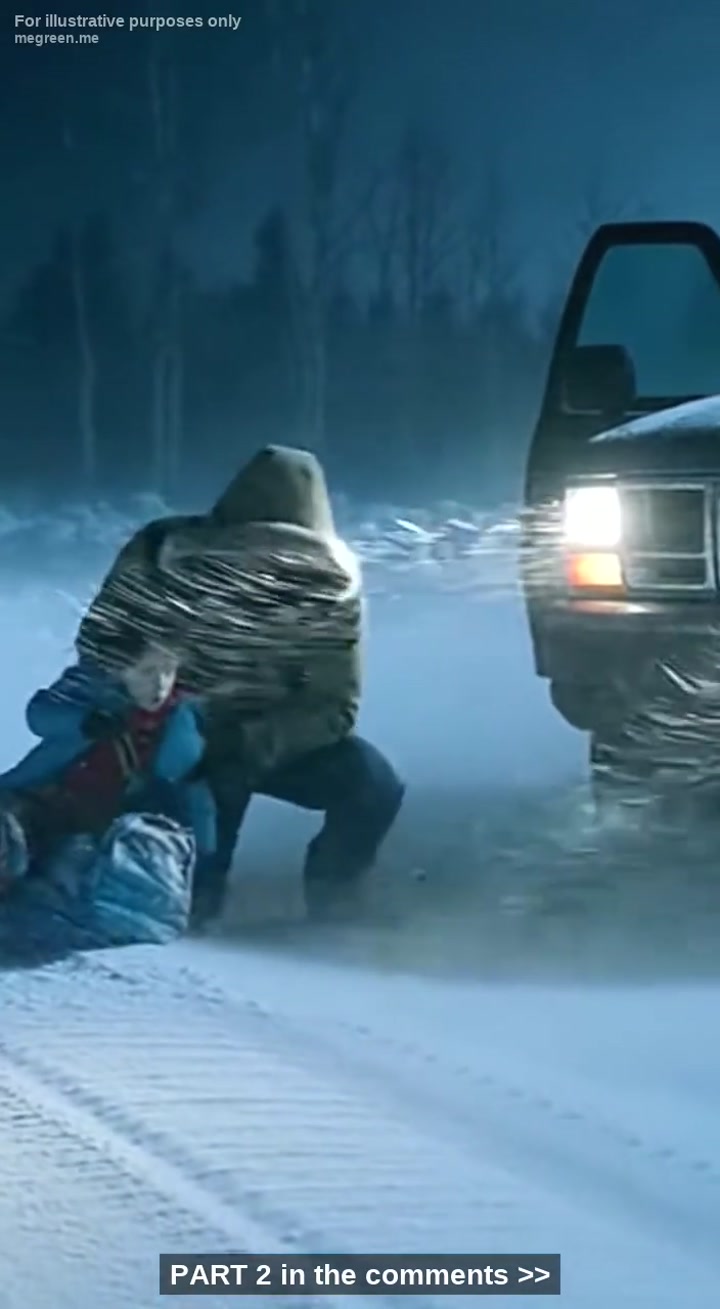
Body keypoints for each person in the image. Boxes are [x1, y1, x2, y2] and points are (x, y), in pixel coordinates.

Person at [74, 444, 405, 926]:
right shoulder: (158, 552)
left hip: (263, 739)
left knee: (372, 782)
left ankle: (335, 908)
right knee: (203, 798)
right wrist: (139, 672)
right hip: (161, 731)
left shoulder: (332, 590)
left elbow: (335, 704)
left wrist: (250, 744)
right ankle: (188, 913)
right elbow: (99, 636)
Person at [0, 633, 215, 900]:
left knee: (74, 870)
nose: (160, 684)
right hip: (48, 799)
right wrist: (84, 721)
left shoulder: (181, 724)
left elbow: (195, 795)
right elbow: (40, 714)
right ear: (121, 670)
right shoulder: (94, 690)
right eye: (147, 672)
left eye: (168, 672)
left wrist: (206, 866)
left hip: (114, 827)